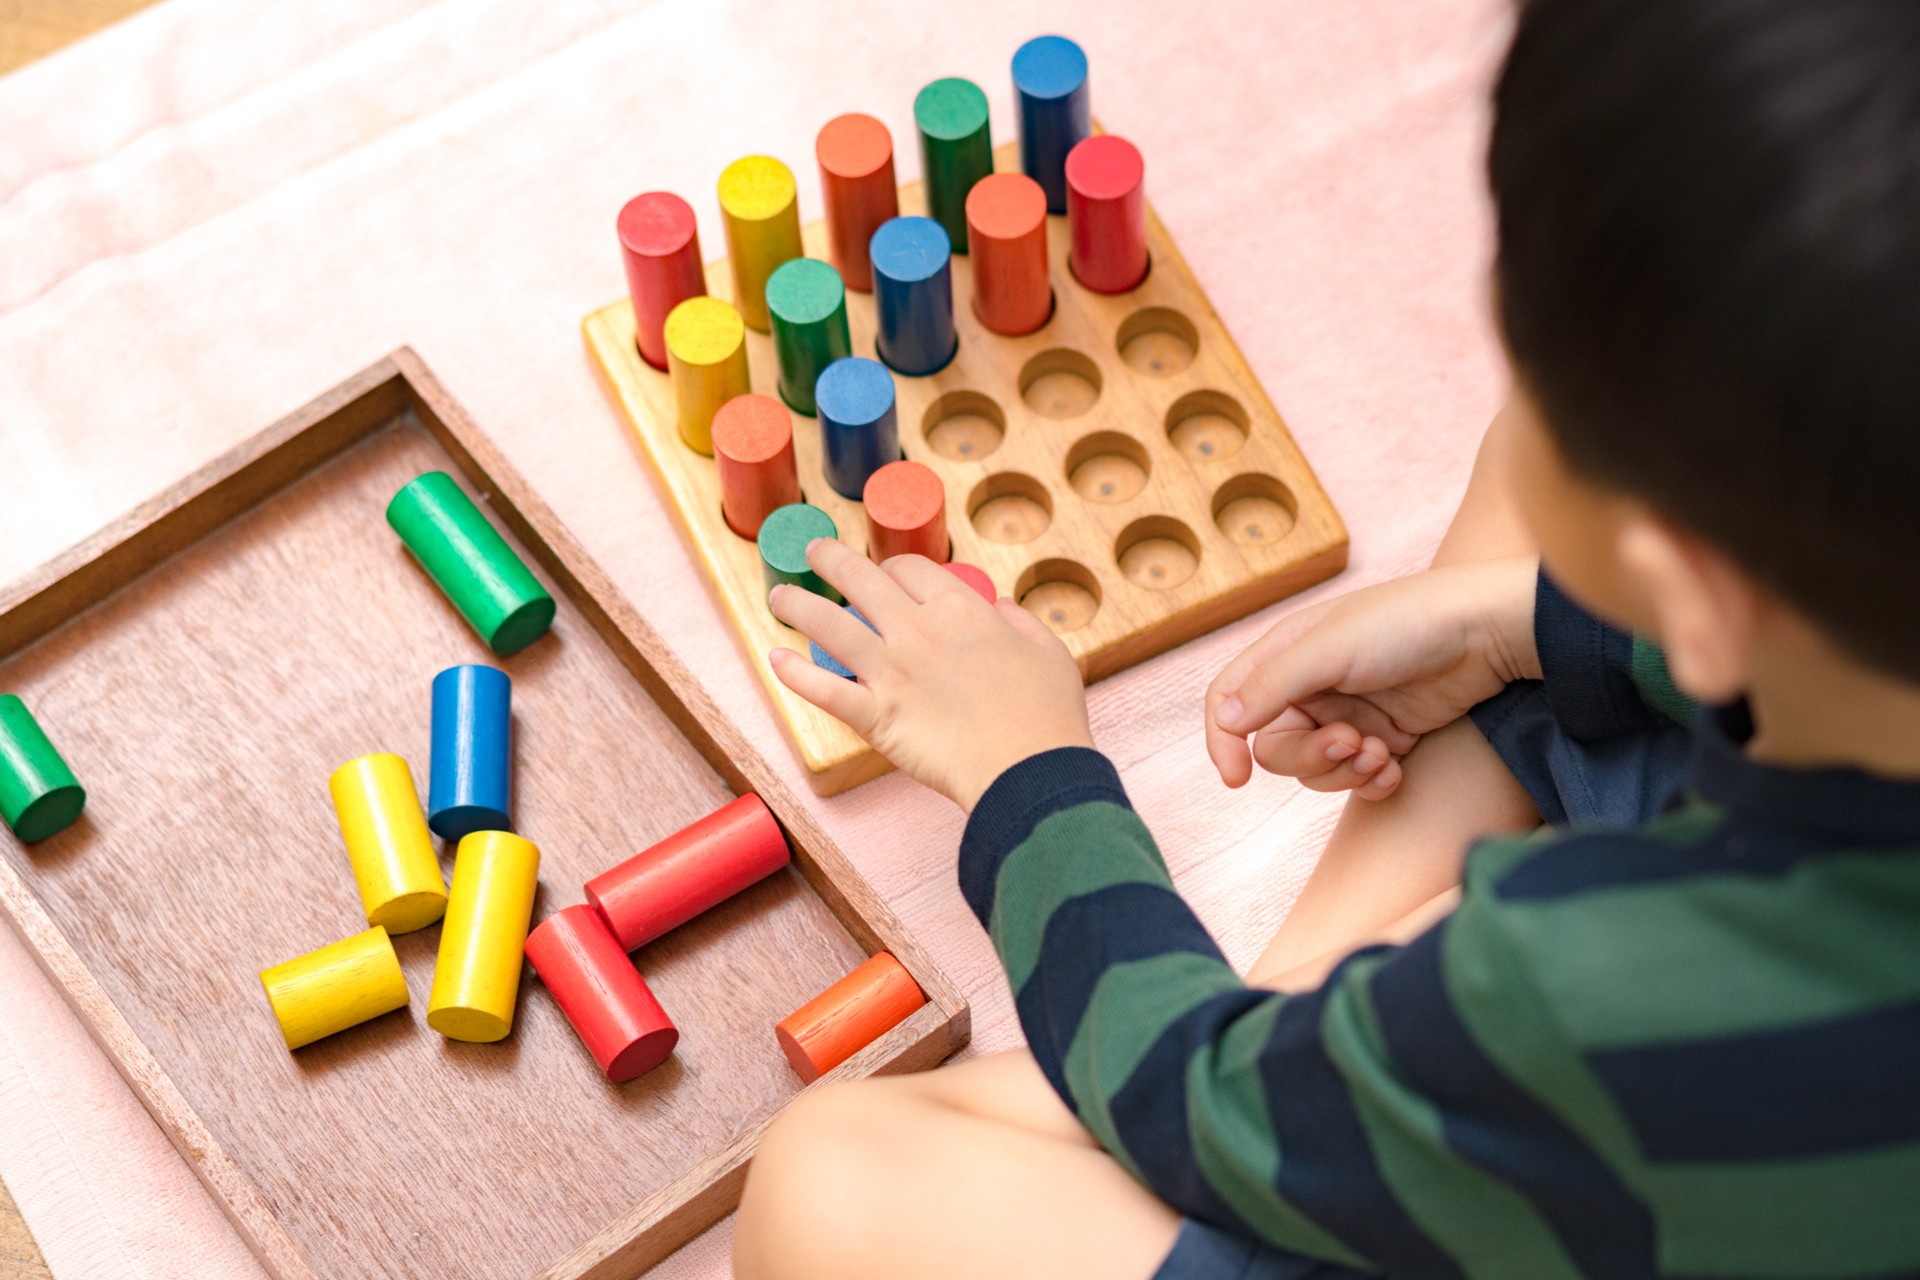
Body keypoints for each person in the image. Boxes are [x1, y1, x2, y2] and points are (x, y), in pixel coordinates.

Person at [734, 1, 1920, 1275]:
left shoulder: (1609, 993)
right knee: (1541, 498)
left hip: (1670, 1123)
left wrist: (1028, 772)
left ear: (1689, 591)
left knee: (828, 1178)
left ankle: (1309, 1068)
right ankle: (1316, 1033)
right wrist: (1523, 623)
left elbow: (1194, 1097)